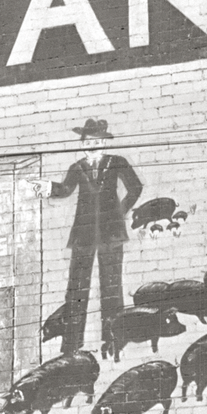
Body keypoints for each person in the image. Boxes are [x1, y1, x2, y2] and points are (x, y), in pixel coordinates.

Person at [50, 118, 143, 354]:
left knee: (111, 286)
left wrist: (120, 212)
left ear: (103, 143)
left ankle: (113, 338)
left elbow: (135, 187)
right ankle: (72, 341)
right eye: (88, 142)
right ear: (82, 144)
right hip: (83, 235)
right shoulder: (77, 167)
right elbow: (65, 190)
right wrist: (45, 188)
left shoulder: (117, 162)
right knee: (76, 288)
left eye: (97, 141)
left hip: (111, 234)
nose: (92, 146)